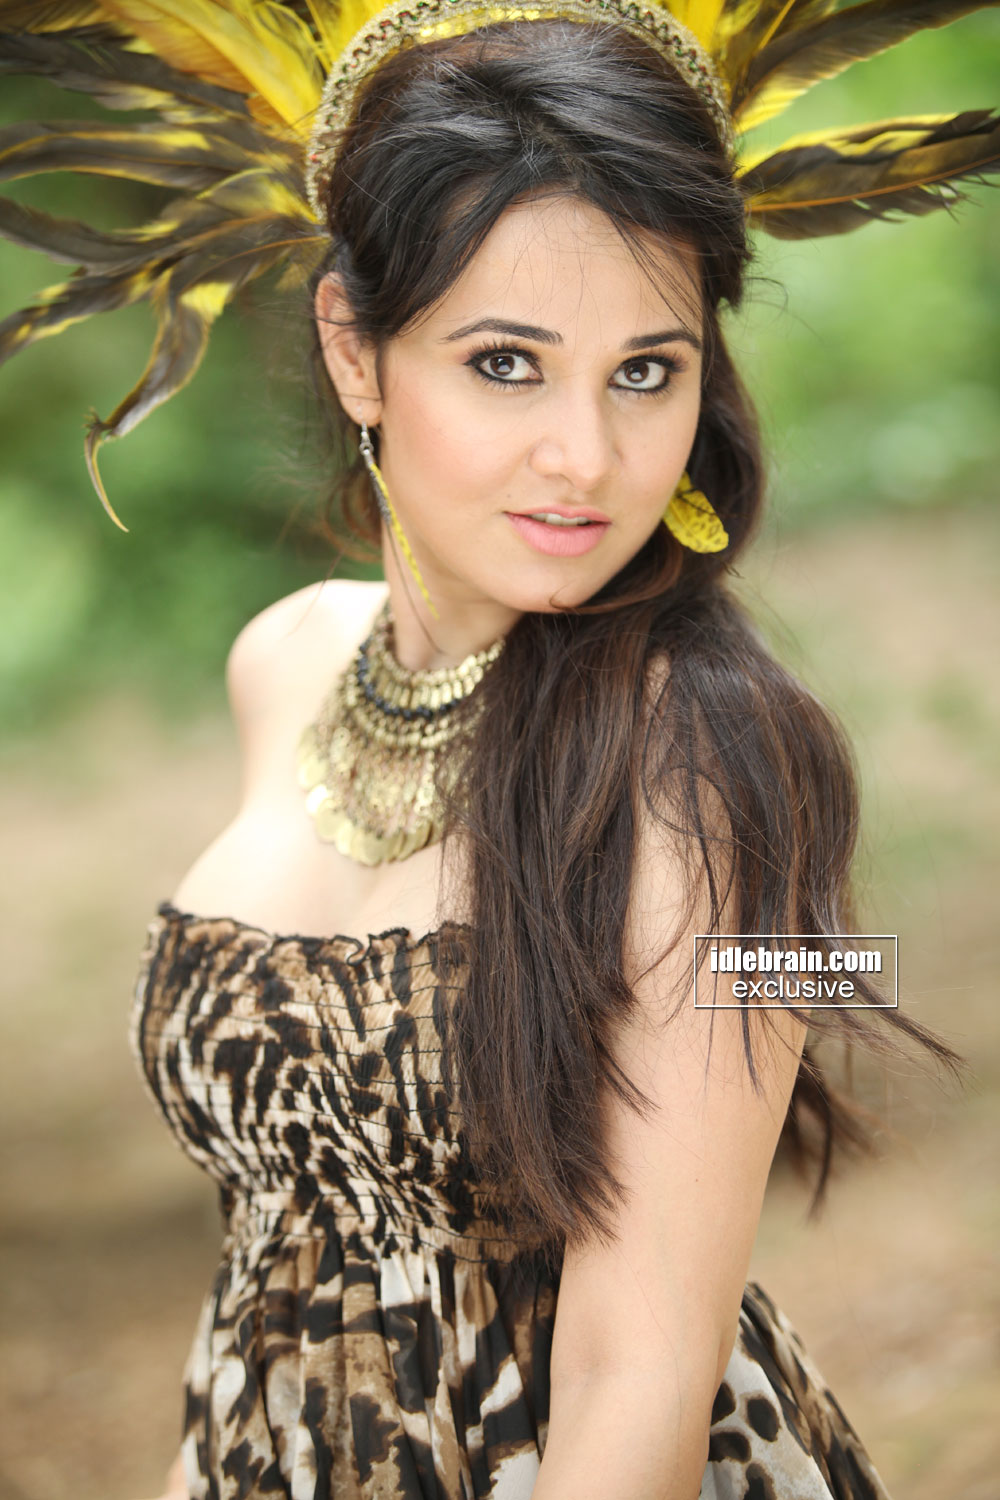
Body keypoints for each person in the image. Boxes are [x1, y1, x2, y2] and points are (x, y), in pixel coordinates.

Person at [1, 5, 996, 1499]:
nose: (586, 458)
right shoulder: (285, 661)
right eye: (508, 364)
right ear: (355, 351)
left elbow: (638, 1374)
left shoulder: (715, 755)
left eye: (645, 371)